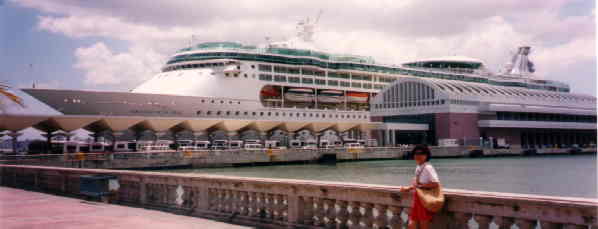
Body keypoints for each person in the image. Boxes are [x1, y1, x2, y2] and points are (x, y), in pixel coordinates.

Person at [400, 144, 440, 229]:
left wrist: (421, 186)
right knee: (412, 224)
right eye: (416, 153)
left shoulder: (428, 167)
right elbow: (417, 184)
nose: (418, 156)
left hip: (424, 199)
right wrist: (409, 188)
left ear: (426, 155)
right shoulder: (418, 167)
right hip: (417, 198)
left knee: (423, 223)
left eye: (421, 153)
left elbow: (435, 183)